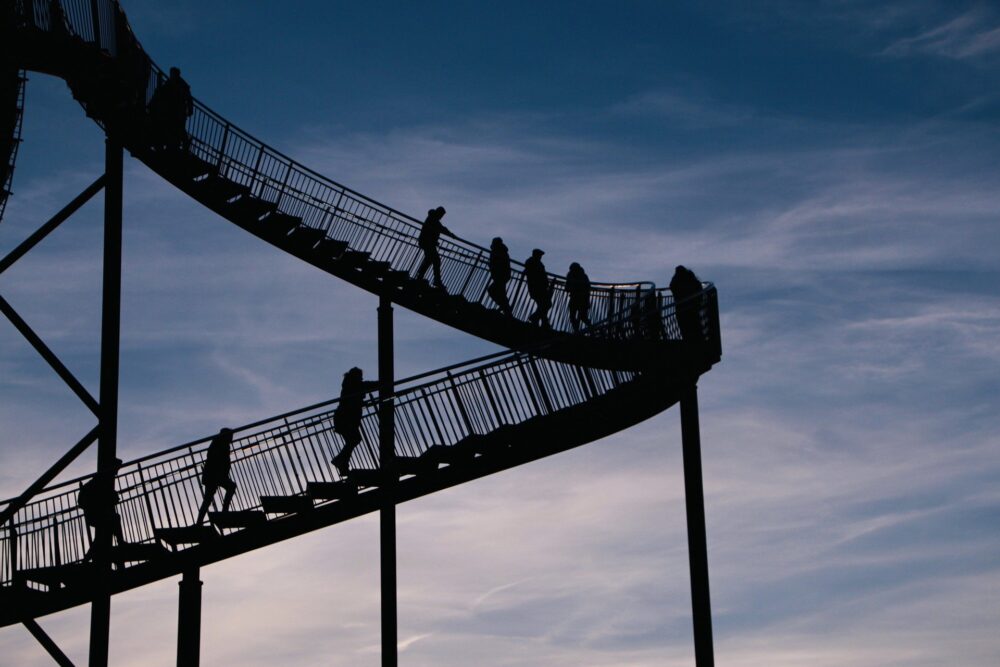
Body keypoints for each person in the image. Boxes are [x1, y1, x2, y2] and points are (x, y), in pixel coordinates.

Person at [331, 367, 379, 477]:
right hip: (345, 419)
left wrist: (360, 403)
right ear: (356, 376)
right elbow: (365, 387)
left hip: (343, 418)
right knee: (354, 440)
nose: (361, 378)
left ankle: (342, 465)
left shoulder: (349, 385)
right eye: (360, 376)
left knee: (352, 441)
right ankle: (340, 461)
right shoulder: (354, 385)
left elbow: (354, 398)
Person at [79, 458, 126, 560]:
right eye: (116, 469)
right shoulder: (101, 479)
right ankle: (121, 543)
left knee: (101, 535)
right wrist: (112, 497)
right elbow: (102, 496)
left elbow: (103, 495)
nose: (116, 473)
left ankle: (88, 557)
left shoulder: (99, 479)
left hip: (95, 514)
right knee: (114, 520)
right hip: (95, 514)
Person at [195, 427, 238, 524]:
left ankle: (199, 522)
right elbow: (218, 461)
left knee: (207, 499)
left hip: (214, 476)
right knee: (230, 487)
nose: (232, 438)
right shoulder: (220, 444)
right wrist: (223, 474)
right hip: (214, 476)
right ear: (226, 436)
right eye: (231, 435)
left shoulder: (220, 443)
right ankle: (224, 512)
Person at [148, 66, 192, 151]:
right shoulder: (173, 83)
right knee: (176, 129)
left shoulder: (180, 85)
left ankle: (180, 146)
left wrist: (190, 109)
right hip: (173, 112)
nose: (171, 75)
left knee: (178, 129)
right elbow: (160, 93)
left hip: (177, 112)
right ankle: (174, 146)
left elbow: (188, 99)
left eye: (172, 74)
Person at [416, 206, 451, 289]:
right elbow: (440, 228)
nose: (441, 217)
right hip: (427, 242)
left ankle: (421, 276)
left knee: (430, 259)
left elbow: (436, 230)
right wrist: (451, 235)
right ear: (438, 213)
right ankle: (436, 280)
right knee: (435, 260)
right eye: (441, 215)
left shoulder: (433, 218)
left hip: (428, 242)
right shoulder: (433, 218)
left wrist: (435, 241)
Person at [669, 265, 703, 343]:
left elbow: (672, 287)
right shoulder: (692, 279)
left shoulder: (677, 282)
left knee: (686, 330)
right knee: (696, 328)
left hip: (682, 310)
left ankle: (690, 342)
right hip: (693, 309)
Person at [524, 248, 552, 328]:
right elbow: (538, 275)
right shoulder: (532, 262)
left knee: (543, 305)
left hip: (539, 287)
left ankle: (542, 322)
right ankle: (535, 318)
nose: (540, 257)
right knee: (546, 304)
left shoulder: (535, 262)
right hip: (537, 288)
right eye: (540, 255)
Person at [486, 237, 513, 316]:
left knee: (493, 290)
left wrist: (492, 266)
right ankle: (506, 309)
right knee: (500, 292)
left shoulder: (499, 251)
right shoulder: (500, 251)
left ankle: (506, 309)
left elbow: (498, 263)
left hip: (501, 275)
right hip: (501, 275)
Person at [565, 262, 592, 332]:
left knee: (581, 317)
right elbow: (567, 287)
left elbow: (588, 287)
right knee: (576, 317)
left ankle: (580, 330)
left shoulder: (582, 276)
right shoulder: (579, 276)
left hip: (581, 299)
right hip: (578, 299)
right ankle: (577, 331)